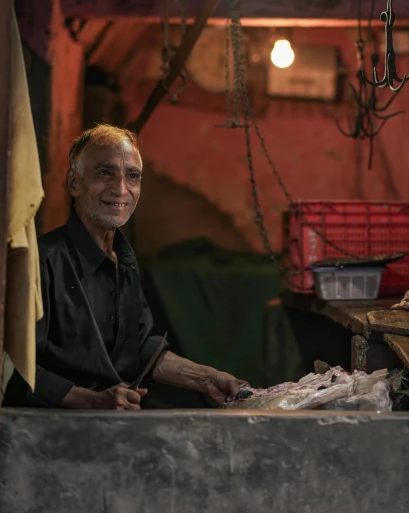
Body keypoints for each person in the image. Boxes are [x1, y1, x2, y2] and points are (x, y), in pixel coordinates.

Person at [5, 124, 242, 410]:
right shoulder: (40, 263)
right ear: (74, 184)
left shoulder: (124, 262)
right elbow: (11, 369)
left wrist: (205, 378)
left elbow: (138, 346)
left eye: (132, 176)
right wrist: (92, 401)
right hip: (44, 433)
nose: (120, 189)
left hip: (113, 425)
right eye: (104, 173)